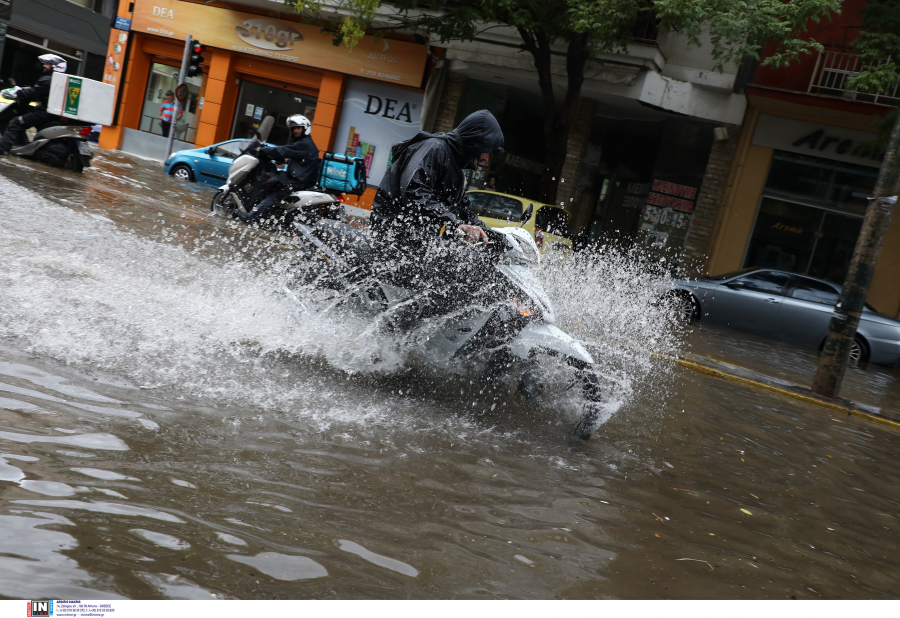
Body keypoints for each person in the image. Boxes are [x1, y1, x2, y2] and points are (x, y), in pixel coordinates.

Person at [369, 109, 506, 326]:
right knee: (464, 271)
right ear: (477, 144)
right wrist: (457, 224)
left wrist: (498, 239)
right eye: (488, 151)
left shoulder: (456, 171)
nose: (487, 159)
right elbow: (414, 189)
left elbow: (466, 213)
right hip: (394, 235)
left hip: (419, 240)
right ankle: (395, 325)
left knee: (473, 269)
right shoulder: (434, 148)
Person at [238, 114, 319, 224]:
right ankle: (269, 215)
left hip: (298, 181)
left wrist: (263, 150)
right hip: (301, 178)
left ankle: (253, 217)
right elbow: (299, 159)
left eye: (298, 128)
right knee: (275, 181)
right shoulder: (305, 144)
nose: (296, 131)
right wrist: (287, 160)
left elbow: (283, 150)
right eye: (294, 128)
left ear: (305, 128)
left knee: (275, 191)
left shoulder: (304, 144)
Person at [0, 54, 66, 155]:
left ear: (56, 67)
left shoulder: (48, 80)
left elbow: (32, 93)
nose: (44, 65)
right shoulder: (63, 81)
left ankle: (3, 149)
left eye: (47, 64)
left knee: (16, 122)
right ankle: (23, 145)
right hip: (53, 114)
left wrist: (17, 93)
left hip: (44, 113)